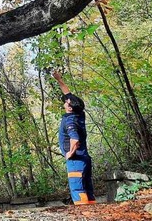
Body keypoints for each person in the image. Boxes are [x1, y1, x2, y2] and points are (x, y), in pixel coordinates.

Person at [53, 70, 96, 205]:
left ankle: (83, 214)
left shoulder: (70, 121)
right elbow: (68, 93)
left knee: (78, 189)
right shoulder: (80, 114)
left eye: (67, 102)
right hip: (85, 158)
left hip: (76, 160)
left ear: (70, 108)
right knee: (88, 188)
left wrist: (70, 154)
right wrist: (59, 80)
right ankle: (94, 214)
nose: (65, 101)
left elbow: (75, 140)